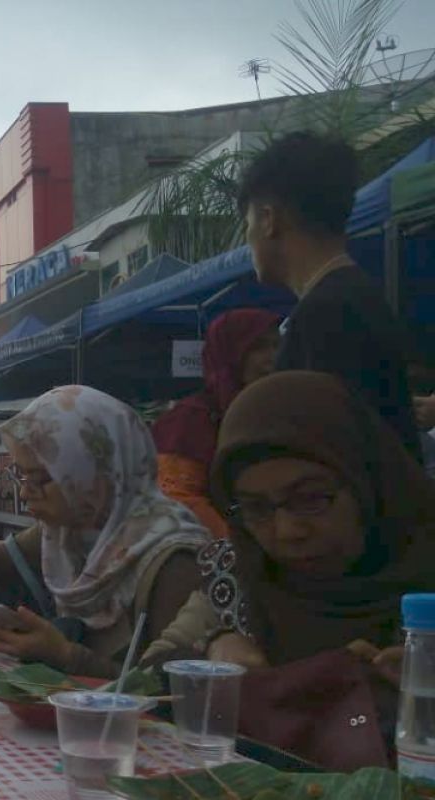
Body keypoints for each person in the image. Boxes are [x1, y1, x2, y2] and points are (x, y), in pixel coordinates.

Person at [148, 370, 435, 668]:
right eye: (256, 508)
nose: (287, 532)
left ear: (369, 486)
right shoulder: (239, 578)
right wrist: (212, 646)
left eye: (311, 499)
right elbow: (140, 683)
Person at [0, 386, 209, 678]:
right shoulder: (73, 531)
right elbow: (1, 556)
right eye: (22, 476)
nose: (24, 493)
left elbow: (168, 689)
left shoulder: (172, 560)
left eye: (40, 480)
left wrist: (65, 656)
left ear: (94, 474)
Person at [241, 131, 420, 459]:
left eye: (247, 223)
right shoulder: (355, 296)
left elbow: (331, 461)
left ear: (268, 219)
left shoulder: (325, 315)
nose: (247, 240)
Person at [152, 308, 281, 537]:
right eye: (259, 347)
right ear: (230, 353)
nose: (272, 356)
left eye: (276, 345)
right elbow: (180, 498)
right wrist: (240, 551)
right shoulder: (191, 419)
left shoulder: (275, 412)